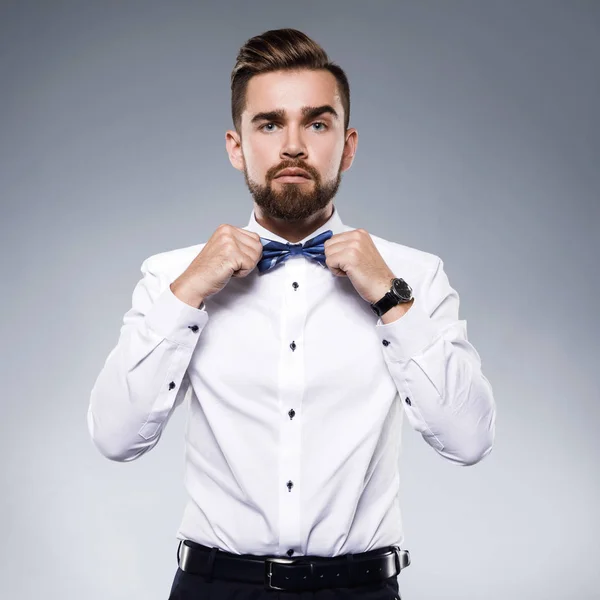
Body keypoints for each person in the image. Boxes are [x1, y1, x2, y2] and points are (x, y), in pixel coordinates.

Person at [87, 27, 496, 600]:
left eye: (317, 123)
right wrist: (188, 293)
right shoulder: (171, 276)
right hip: (214, 588)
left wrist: (390, 298)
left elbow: (470, 439)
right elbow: (114, 436)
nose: (294, 146)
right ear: (237, 146)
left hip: (359, 590)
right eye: (270, 123)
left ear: (347, 146)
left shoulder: (414, 276)